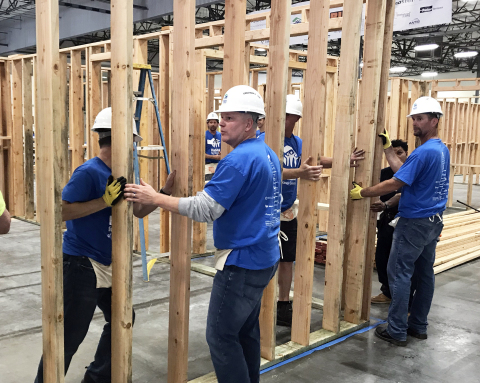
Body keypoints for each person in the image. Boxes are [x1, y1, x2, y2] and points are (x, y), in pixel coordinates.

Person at [124, 85, 280, 383]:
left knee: (221, 337)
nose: (220, 122)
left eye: (229, 118)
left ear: (250, 123)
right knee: (245, 332)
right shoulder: (267, 153)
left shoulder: (237, 160)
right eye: (222, 117)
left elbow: (206, 209)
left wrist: (155, 198)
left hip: (242, 262)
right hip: (265, 257)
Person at [34, 107, 173, 383]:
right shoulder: (89, 172)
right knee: (70, 334)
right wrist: (103, 202)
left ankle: (97, 378)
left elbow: (135, 212)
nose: (135, 147)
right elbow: (60, 211)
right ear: (120, 139)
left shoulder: (123, 172)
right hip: (82, 262)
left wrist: (162, 195)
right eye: (133, 142)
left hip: (108, 262)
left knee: (124, 318)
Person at [350, 97, 449, 346]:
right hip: (433, 221)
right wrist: (387, 148)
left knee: (398, 274)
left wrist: (362, 192)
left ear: (434, 121)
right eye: (414, 119)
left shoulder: (423, 152)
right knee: (425, 274)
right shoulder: (440, 149)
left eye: (420, 119)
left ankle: (396, 330)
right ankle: (418, 325)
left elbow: (396, 182)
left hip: (414, 222)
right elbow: (403, 171)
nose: (415, 123)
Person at [266, 94, 365, 327]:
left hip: (287, 210)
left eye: (286, 116)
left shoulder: (298, 143)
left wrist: (344, 159)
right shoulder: (266, 140)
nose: (281, 120)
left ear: (295, 118)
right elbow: (268, 170)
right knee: (265, 259)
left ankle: (282, 305)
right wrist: (299, 173)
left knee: (287, 260)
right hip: (266, 210)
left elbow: (318, 159)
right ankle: (262, 303)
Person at [370, 139, 408, 304]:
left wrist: (385, 204)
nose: (397, 156)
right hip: (387, 220)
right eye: (393, 153)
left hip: (406, 221)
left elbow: (401, 195)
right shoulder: (384, 173)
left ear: (406, 153)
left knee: (400, 261)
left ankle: (402, 298)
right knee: (382, 256)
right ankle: (387, 291)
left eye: (400, 152)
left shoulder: (410, 171)